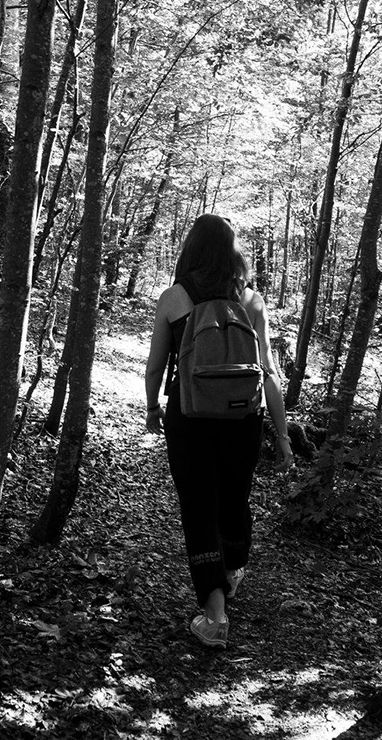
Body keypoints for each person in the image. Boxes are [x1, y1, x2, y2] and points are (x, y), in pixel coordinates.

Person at [143, 213, 292, 649]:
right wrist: (281, 435)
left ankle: (214, 613)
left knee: (197, 507)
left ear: (190, 248)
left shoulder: (175, 297)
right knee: (234, 498)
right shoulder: (251, 300)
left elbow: (155, 366)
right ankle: (231, 570)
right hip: (242, 419)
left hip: (188, 418)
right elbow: (268, 372)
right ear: (232, 252)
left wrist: (153, 407)